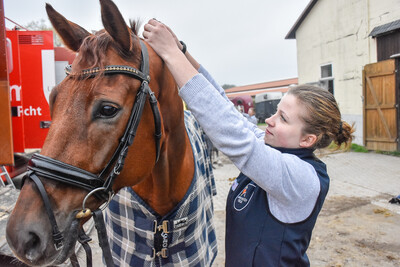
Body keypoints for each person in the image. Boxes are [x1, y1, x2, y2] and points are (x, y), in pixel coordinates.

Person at [143, 19, 354, 266]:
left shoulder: (301, 177)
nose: (270, 120)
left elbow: (230, 133)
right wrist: (182, 51)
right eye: (276, 111)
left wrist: (169, 54)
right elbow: (225, 108)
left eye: (283, 119)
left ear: (308, 139)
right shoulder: (272, 146)